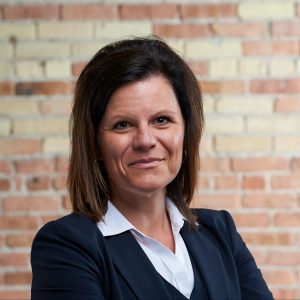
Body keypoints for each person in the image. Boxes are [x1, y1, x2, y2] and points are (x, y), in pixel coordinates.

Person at [31, 36, 273, 300]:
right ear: (95, 143)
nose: (145, 140)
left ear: (186, 133)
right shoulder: (67, 247)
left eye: (161, 120)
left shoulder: (220, 233)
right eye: (123, 124)